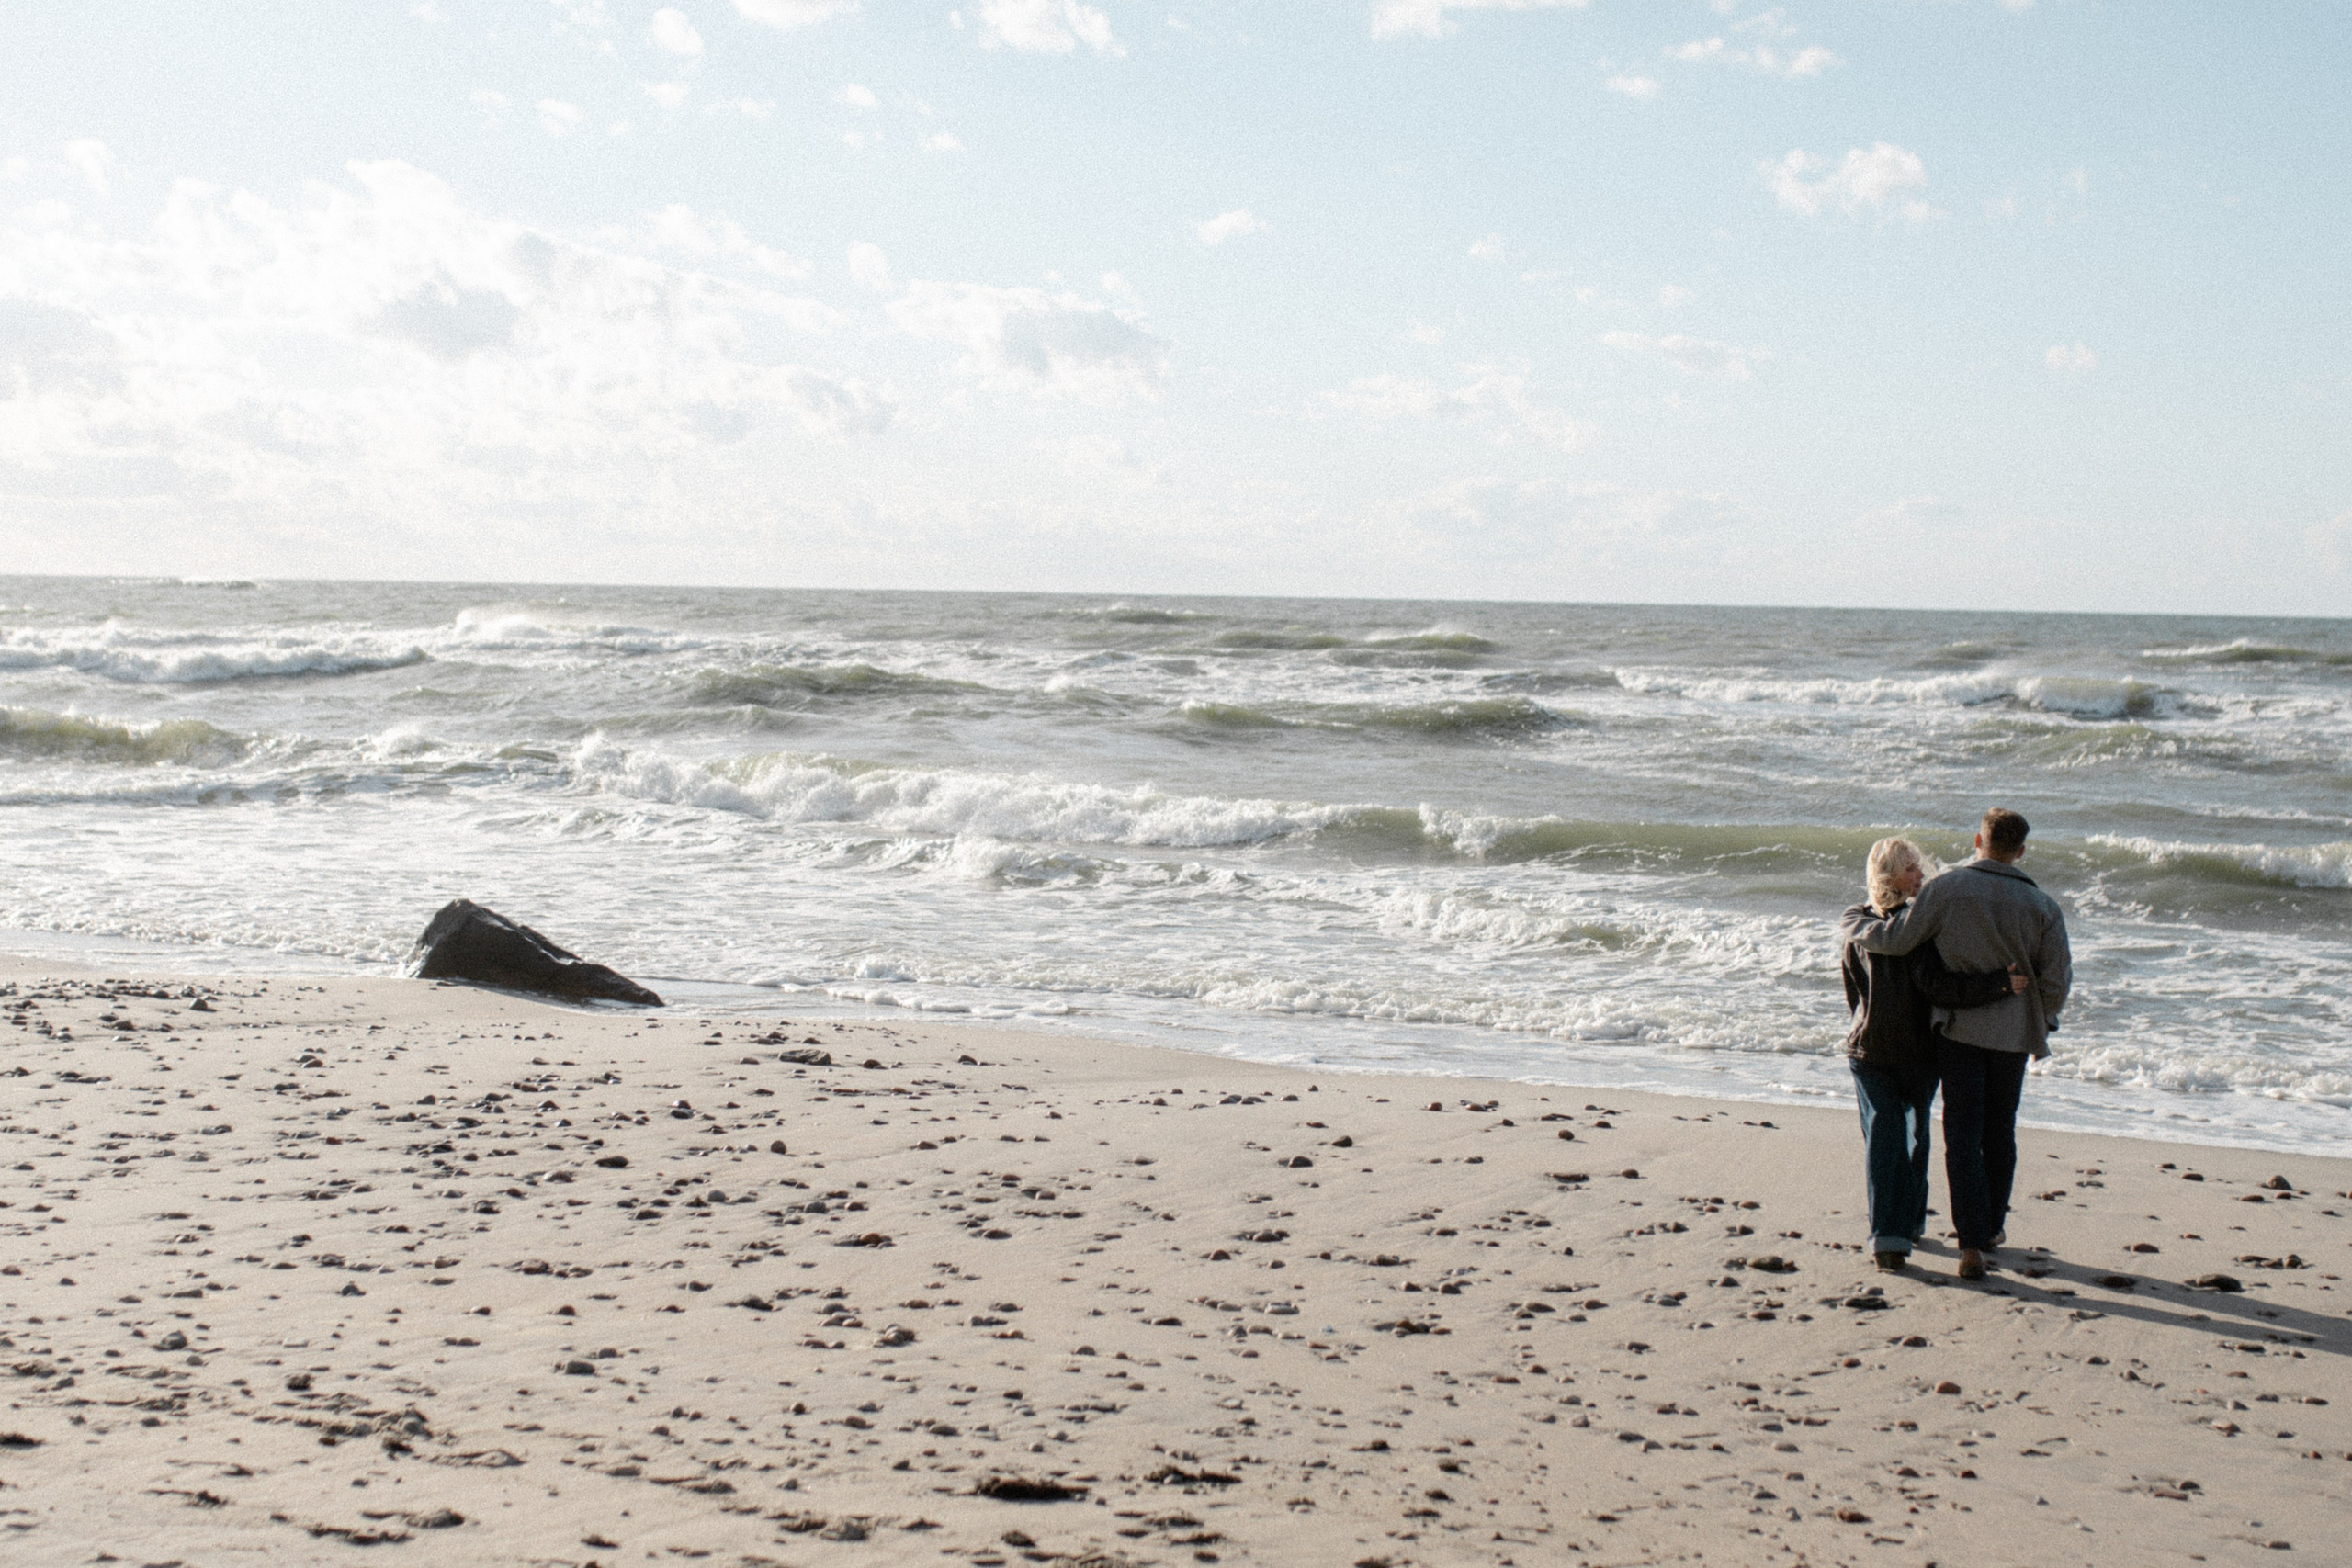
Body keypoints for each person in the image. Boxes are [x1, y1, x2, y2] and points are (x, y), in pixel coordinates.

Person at [1842, 808, 2073, 1280]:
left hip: (1956, 1032)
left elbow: (1897, 940)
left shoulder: (1945, 889)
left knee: (1960, 1135)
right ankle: (1988, 1229)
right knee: (1999, 1129)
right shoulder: (2044, 905)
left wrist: (1854, 924)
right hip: (2010, 1035)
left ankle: (1966, 1242)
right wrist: (2040, 1019)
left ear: (1977, 840)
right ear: (2021, 851)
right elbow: (2057, 979)